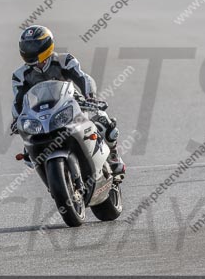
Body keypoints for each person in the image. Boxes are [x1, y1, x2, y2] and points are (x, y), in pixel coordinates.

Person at [11, 26, 125, 177]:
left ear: (45, 45)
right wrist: (17, 119)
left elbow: (83, 78)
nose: (29, 50)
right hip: (41, 114)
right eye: (26, 46)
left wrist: (90, 97)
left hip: (71, 104)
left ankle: (113, 155)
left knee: (104, 122)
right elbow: (18, 101)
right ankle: (53, 180)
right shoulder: (20, 75)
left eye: (33, 46)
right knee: (28, 148)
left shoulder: (64, 60)